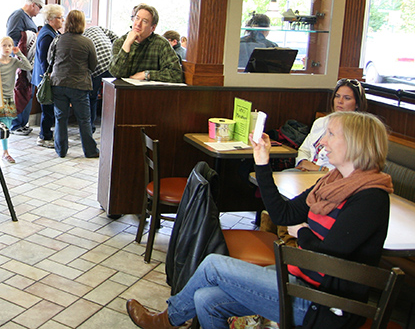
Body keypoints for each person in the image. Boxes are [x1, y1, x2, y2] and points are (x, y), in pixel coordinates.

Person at [126, 110, 393, 329]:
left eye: (331, 134)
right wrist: (262, 162)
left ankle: (166, 321)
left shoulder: (371, 197)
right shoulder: (332, 182)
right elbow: (283, 215)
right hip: (298, 282)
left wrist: (301, 233)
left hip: (323, 304)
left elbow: (328, 253)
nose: (322, 141)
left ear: (356, 143)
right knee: (206, 299)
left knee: (213, 265)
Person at [49, 10, 100, 159]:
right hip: (79, 85)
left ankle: (61, 151)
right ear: (82, 23)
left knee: (60, 118)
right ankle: (90, 151)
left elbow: (49, 60)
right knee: (84, 120)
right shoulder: (87, 42)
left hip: (58, 83)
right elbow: (93, 65)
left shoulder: (57, 40)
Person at [295, 78, 369, 172]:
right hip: (305, 171)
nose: (340, 101)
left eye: (347, 98)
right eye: (337, 96)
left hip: (332, 178)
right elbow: (304, 150)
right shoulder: (321, 122)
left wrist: (320, 169)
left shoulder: (359, 131)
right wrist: (303, 162)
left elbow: (354, 168)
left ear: (357, 104)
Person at [109, 4, 183, 83]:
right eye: (137, 18)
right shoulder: (120, 42)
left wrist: (147, 75)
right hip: (124, 92)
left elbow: (177, 74)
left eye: (144, 21)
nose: (138, 24)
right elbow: (115, 73)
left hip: (150, 93)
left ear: (153, 28)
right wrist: (127, 44)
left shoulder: (161, 44)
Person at [6, 0, 44, 136]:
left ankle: (22, 123)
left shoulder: (27, 18)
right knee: (20, 92)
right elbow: (12, 36)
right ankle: (15, 124)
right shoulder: (18, 15)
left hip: (27, 61)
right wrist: (31, 35)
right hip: (19, 61)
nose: (38, 12)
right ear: (33, 4)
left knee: (27, 92)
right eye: (39, 8)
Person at [0, 37, 33, 163]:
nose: (7, 48)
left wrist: (19, 53)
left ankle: (4, 152)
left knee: (6, 126)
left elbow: (28, 67)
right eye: (4, 45)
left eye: (10, 45)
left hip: (9, 98)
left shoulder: (14, 61)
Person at [32, 4, 64, 148]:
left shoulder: (52, 32)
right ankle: (44, 137)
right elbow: (45, 59)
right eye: (59, 18)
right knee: (48, 109)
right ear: (51, 19)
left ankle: (47, 135)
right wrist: (48, 76)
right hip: (45, 77)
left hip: (46, 76)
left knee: (49, 108)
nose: (62, 20)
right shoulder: (47, 34)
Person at [82, 24, 118, 131]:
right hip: (112, 63)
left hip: (97, 67)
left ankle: (90, 127)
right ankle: (113, 125)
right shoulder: (99, 28)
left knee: (92, 98)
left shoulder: (82, 37)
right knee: (114, 97)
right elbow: (115, 37)